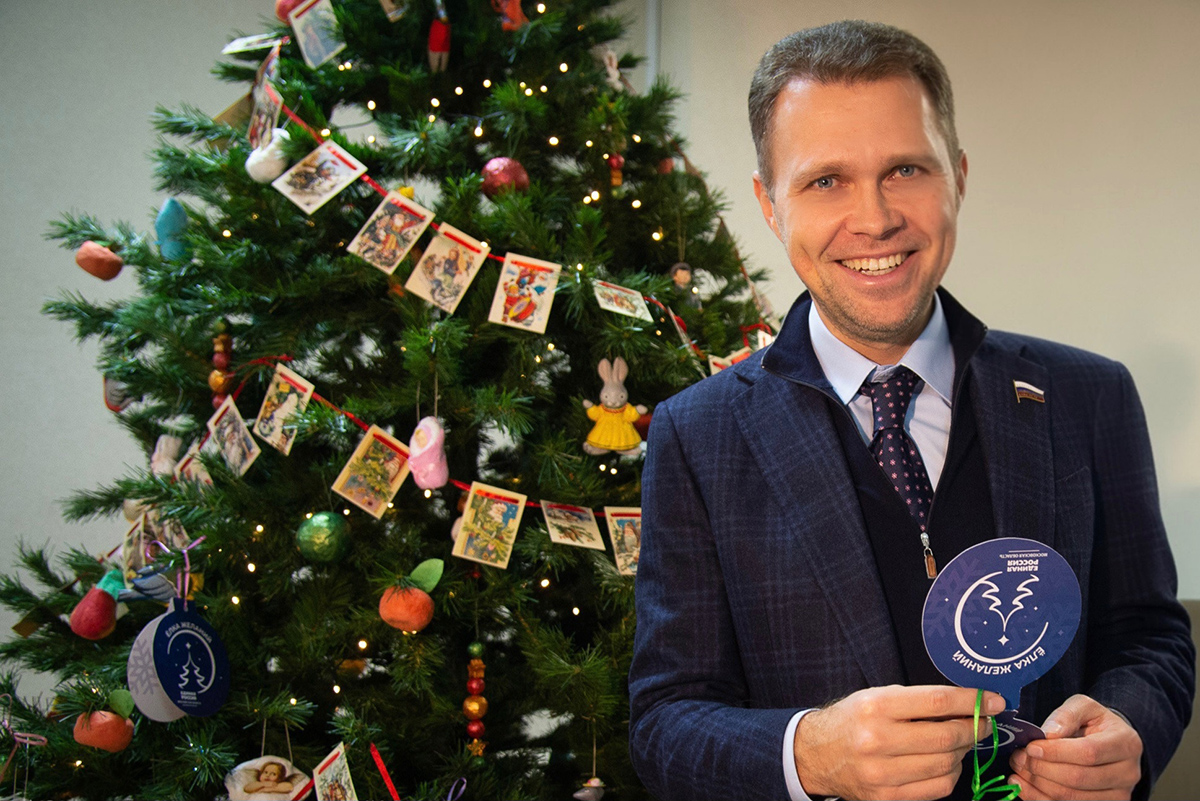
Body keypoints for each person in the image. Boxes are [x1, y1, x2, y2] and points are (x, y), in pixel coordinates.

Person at [628, 20, 1194, 801]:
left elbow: (1150, 635)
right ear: (768, 202)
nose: (875, 217)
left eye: (904, 169)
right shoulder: (698, 434)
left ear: (957, 175)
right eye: (825, 180)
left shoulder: (1091, 397)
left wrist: (1130, 726)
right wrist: (810, 753)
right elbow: (665, 722)